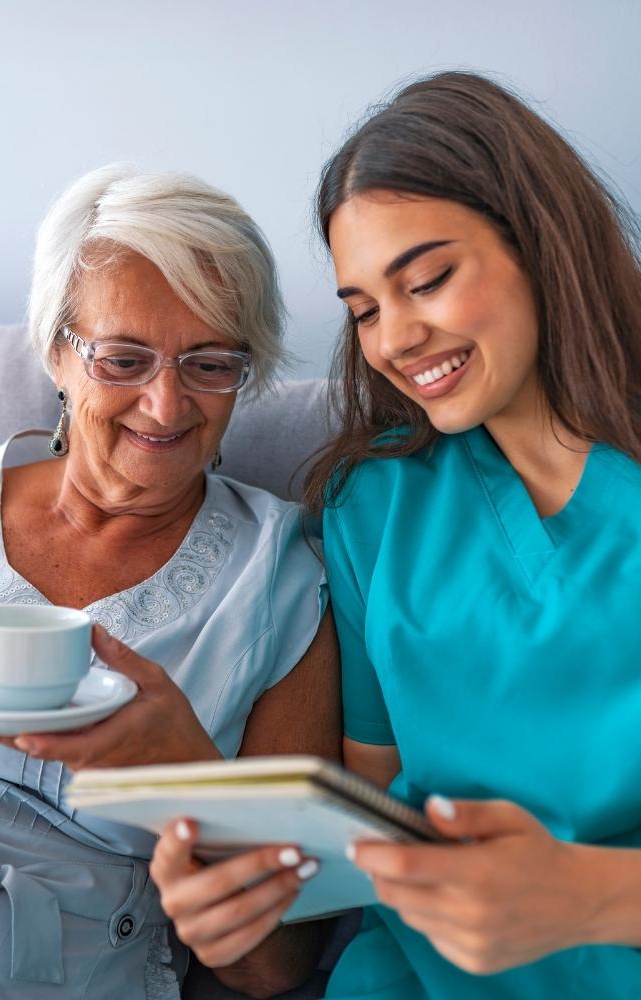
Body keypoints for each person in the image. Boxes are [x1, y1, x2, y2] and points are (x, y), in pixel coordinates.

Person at [149, 71, 641, 998]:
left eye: (427, 281)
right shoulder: (370, 503)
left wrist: (592, 897)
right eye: (364, 310)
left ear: (540, 243)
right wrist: (248, 889)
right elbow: (370, 811)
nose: (395, 340)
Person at [0, 164, 341, 998]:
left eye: (211, 363)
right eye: (124, 359)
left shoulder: (282, 586)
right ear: (56, 352)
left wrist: (187, 773)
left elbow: (272, 965)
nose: (166, 403)